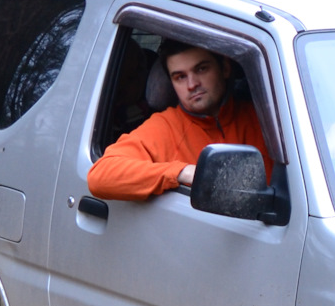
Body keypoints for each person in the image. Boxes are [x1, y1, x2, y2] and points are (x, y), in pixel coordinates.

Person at [87, 40, 271, 201]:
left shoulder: (265, 119)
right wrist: (182, 173)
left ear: (225, 68)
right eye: (180, 77)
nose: (192, 85)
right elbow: (100, 175)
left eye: (201, 69)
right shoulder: (165, 127)